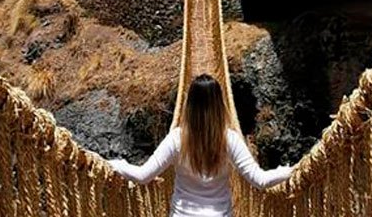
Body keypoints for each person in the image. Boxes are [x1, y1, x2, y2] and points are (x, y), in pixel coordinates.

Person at [108, 74, 292, 217]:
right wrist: (292, 171)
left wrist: (116, 164)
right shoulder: (230, 139)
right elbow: (260, 180)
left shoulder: (177, 139)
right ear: (220, 104)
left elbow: (142, 176)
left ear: (189, 104)